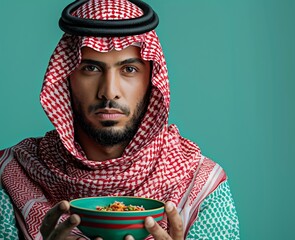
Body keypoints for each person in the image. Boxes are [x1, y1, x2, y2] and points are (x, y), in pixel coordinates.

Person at [0, 0, 240, 239]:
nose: (109, 91)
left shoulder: (199, 185)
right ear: (66, 77)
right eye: (91, 68)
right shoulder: (10, 176)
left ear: (152, 81)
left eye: (129, 70)